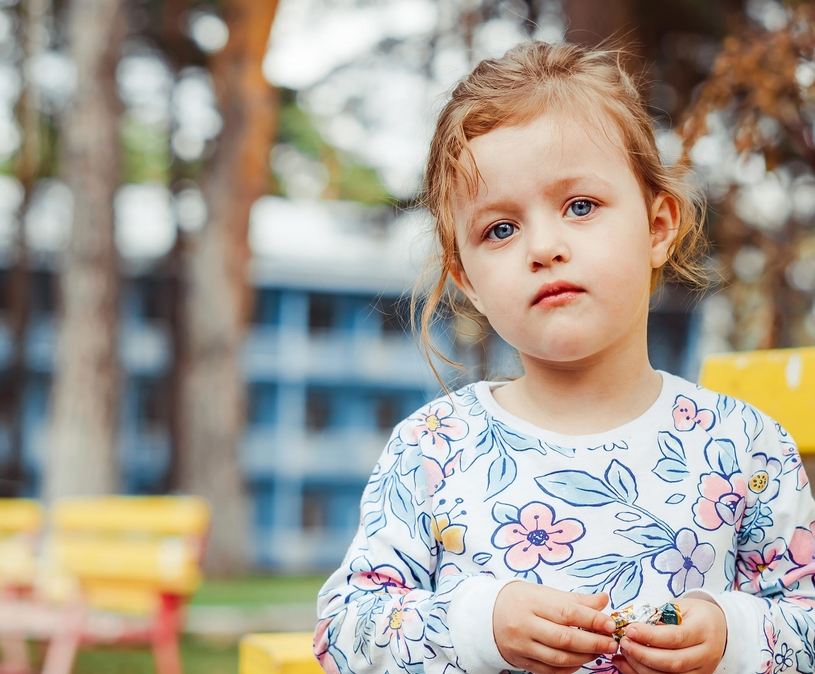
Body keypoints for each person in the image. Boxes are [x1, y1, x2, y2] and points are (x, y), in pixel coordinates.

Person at [313, 41, 815, 674]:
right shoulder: (435, 449)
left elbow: (806, 620)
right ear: (466, 278)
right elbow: (343, 633)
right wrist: (477, 626)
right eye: (500, 229)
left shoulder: (744, 448)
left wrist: (731, 638)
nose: (544, 247)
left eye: (580, 206)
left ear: (658, 226)